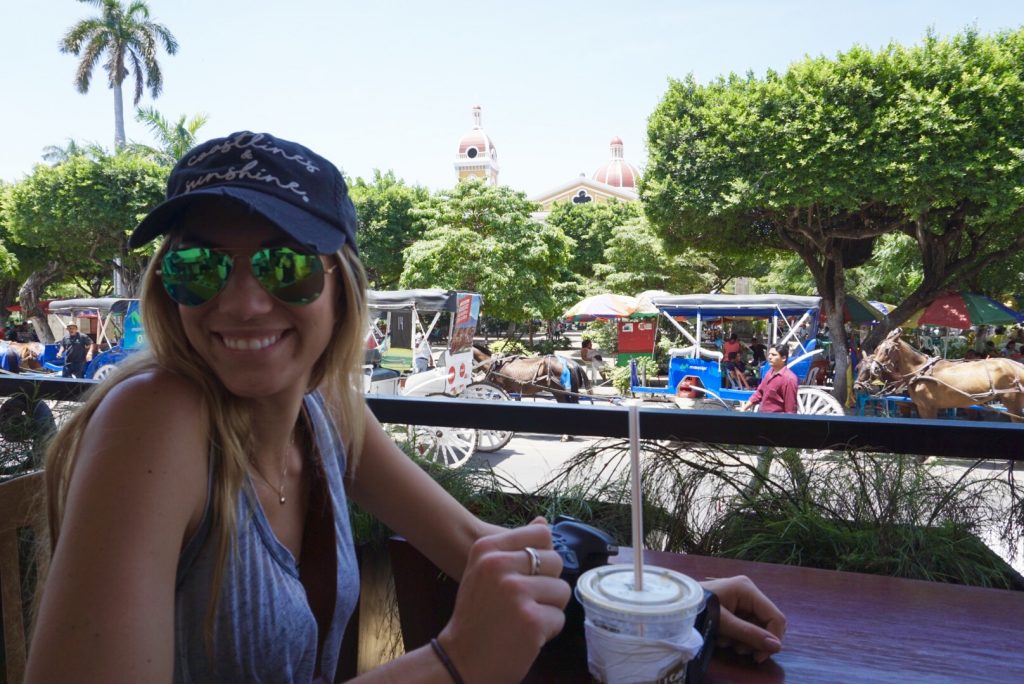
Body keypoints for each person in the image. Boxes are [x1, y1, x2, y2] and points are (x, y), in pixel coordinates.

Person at [26, 131, 786, 683]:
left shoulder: (323, 413)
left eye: (285, 264)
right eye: (199, 265)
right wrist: (453, 665)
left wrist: (647, 599)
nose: (244, 301)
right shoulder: (153, 419)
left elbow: (472, 541)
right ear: (168, 284)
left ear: (341, 284)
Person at [739, 343, 798, 414]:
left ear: (783, 358)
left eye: (774, 355)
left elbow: (790, 410)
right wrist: (744, 408)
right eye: (769, 354)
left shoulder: (789, 379)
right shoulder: (770, 372)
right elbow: (759, 393)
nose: (769, 357)